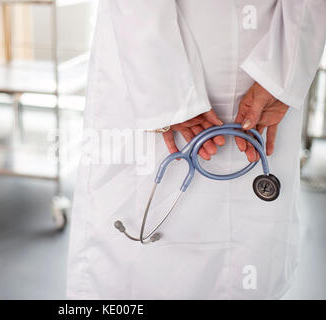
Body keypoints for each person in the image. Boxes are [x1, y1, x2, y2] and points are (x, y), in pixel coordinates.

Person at [67, 0, 326, 299]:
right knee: (135, 268)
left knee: (251, 255)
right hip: (145, 62)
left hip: (266, 60)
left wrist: (285, 69)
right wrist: (164, 90)